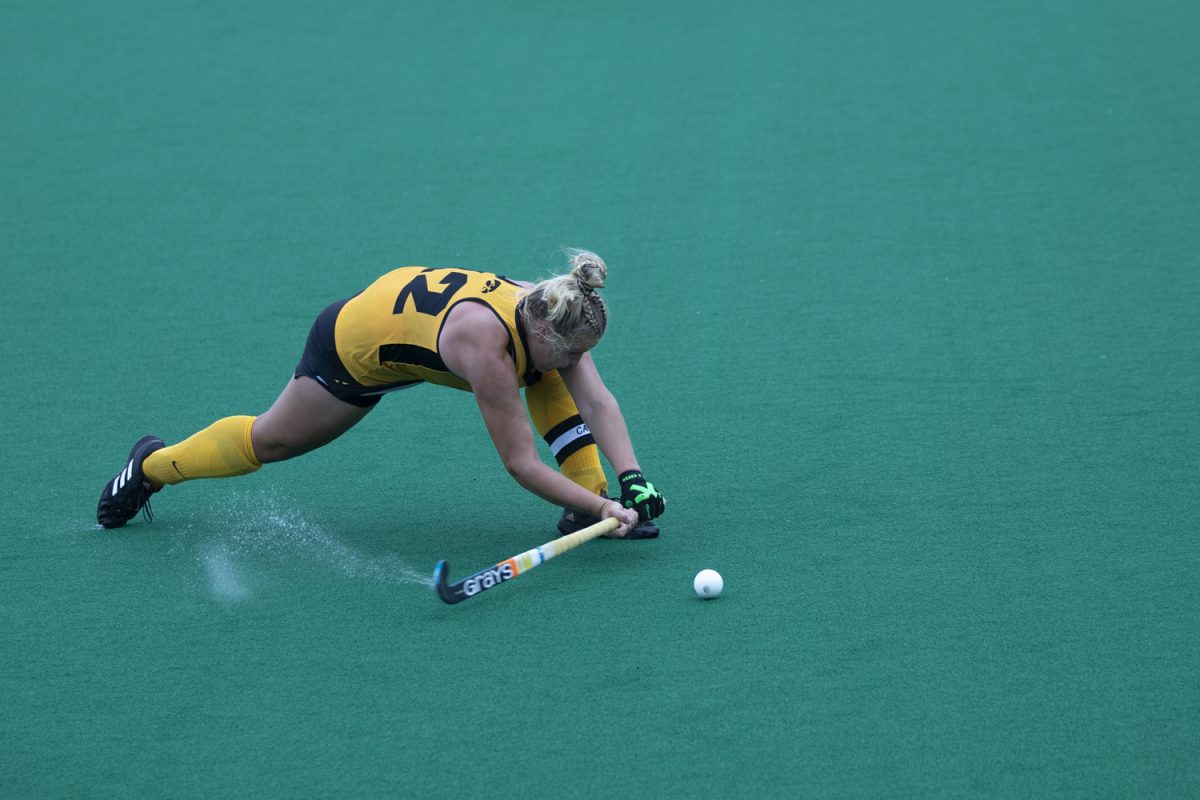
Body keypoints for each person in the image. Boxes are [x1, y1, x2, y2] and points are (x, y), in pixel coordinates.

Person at [96, 249, 666, 539]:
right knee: (270, 442)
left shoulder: (549, 304)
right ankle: (152, 465)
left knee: (545, 379)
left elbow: (597, 401)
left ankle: (585, 500)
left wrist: (631, 478)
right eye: (571, 352)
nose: (577, 364)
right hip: (352, 354)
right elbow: (519, 462)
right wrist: (603, 508)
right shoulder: (487, 349)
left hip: (411, 319)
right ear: (545, 332)